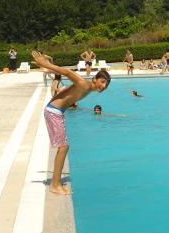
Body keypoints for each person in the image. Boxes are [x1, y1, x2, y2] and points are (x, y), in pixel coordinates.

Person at [31, 50, 111, 195]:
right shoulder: (85, 85)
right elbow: (67, 72)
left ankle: (56, 182)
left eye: (106, 85)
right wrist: (44, 63)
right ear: (95, 79)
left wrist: (48, 64)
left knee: (63, 147)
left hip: (57, 112)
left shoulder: (88, 89)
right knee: (63, 147)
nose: (104, 86)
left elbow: (67, 89)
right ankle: (55, 185)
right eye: (103, 82)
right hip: (53, 112)